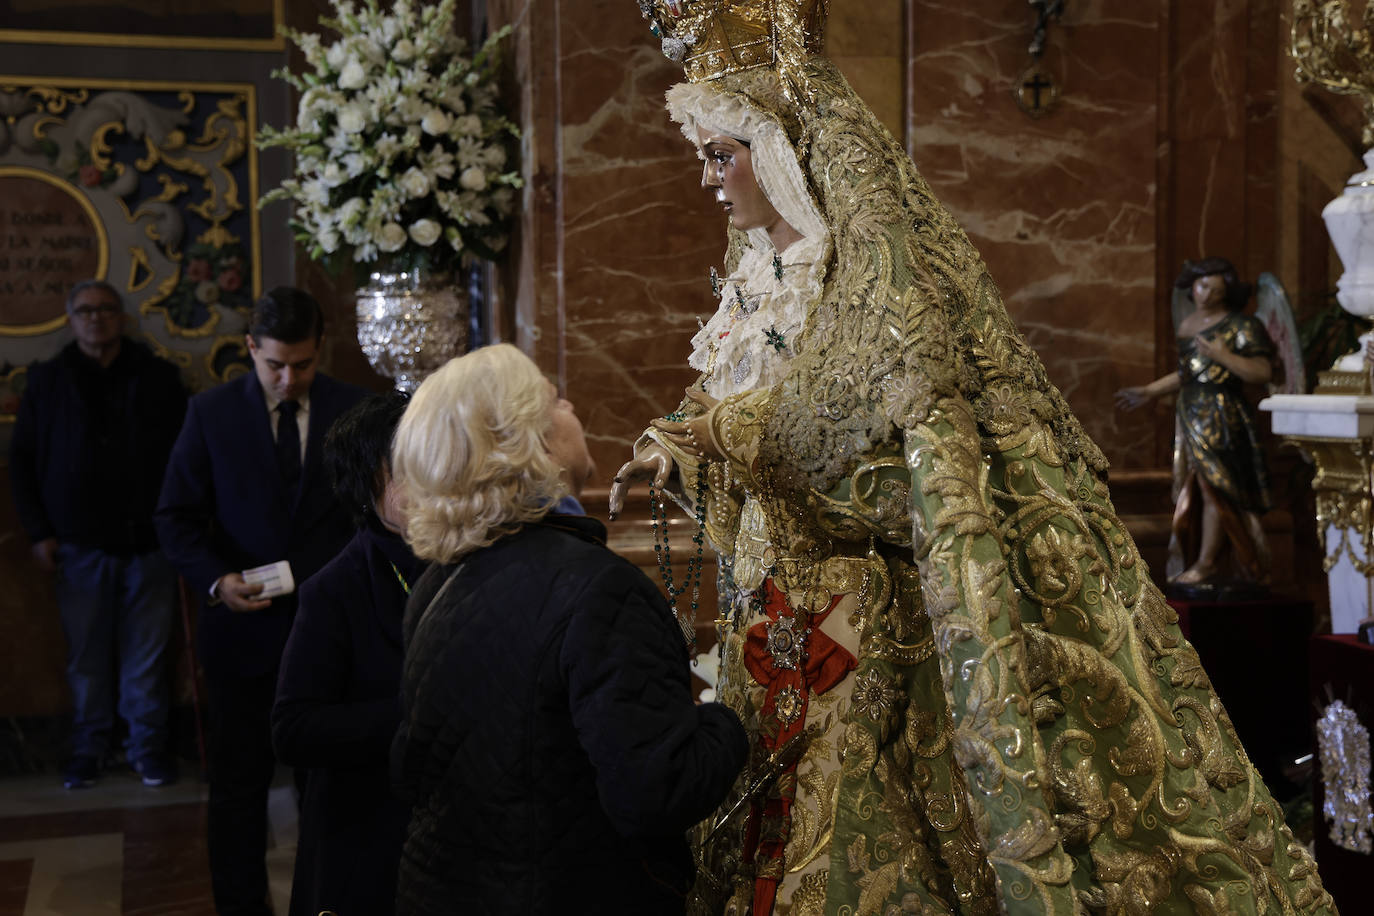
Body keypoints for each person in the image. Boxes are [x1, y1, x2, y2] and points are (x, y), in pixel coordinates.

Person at [609, 3, 1332, 913]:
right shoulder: (750, 274)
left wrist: (728, 436)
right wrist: (676, 444)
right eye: (703, 157)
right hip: (772, 591)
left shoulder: (858, 273)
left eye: (724, 155)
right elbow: (725, 402)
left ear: (780, 148)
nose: (710, 179)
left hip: (867, 608)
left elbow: (858, 437)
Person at [390, 343, 747, 915]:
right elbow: (658, 791)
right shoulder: (597, 591)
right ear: (532, 445)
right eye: (555, 401)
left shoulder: (439, 584)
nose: (573, 403)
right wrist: (732, 715)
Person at [155, 287, 366, 916]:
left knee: (330, 792)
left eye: (302, 364)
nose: (288, 378)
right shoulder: (211, 415)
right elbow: (175, 517)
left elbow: (374, 517)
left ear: (318, 349)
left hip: (329, 636)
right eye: (274, 364)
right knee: (238, 793)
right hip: (242, 638)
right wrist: (218, 581)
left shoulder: (353, 411)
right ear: (250, 348)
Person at [9, 279, 187, 789]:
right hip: (77, 545)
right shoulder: (48, 381)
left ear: (121, 317)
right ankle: (90, 746)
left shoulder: (157, 378)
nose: (96, 318)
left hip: (149, 544)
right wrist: (38, 531)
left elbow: (184, 459)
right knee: (87, 658)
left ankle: (147, 747)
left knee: (146, 657)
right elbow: (22, 462)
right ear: (70, 319)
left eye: (106, 310)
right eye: (85, 310)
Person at [272, 391, 422, 916]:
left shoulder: (468, 558)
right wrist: (416, 716)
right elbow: (294, 728)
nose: (431, 480)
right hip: (368, 836)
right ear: (367, 488)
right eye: (406, 469)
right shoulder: (335, 590)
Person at [1116, 257, 1275, 588]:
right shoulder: (1189, 325)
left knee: (1215, 486)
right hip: (1191, 411)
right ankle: (1203, 560)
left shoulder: (1241, 326)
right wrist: (1149, 391)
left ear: (1227, 292)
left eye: (1217, 289)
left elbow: (1262, 372)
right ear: (1193, 286)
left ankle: (1211, 563)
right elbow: (1188, 373)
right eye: (1203, 286)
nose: (1208, 295)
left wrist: (1222, 355)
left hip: (1223, 412)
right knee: (1197, 487)